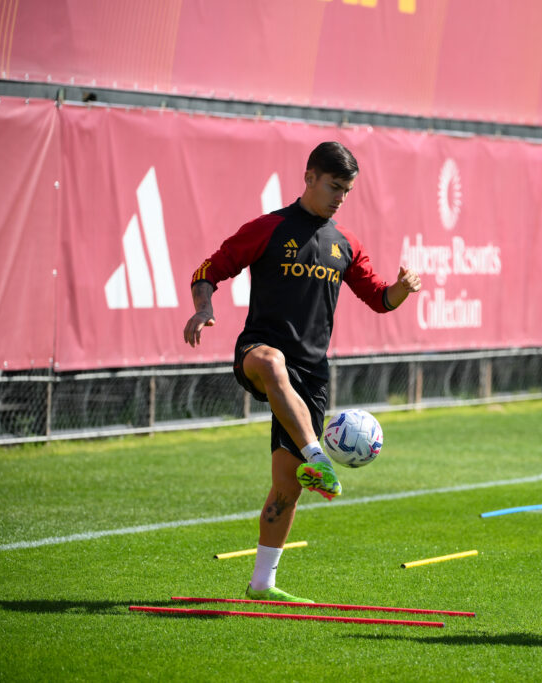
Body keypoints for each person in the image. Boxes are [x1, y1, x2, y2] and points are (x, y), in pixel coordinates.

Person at [183, 141, 421, 603]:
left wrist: (402, 290)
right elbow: (210, 268)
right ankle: (319, 456)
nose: (339, 197)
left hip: (311, 375)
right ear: (309, 176)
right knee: (272, 364)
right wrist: (203, 307)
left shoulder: (346, 244)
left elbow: (378, 299)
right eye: (334, 187)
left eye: (346, 192)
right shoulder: (269, 228)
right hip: (258, 351)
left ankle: (261, 585)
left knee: (284, 492)